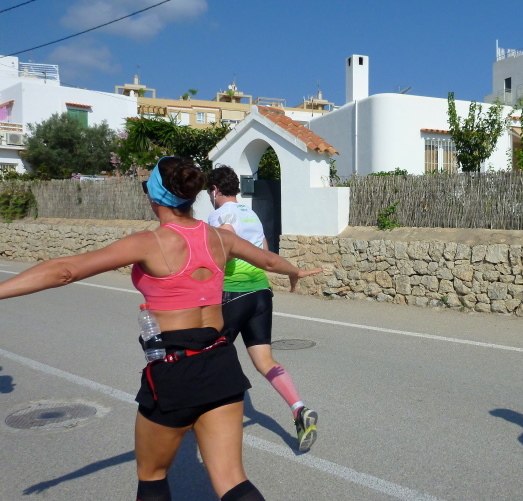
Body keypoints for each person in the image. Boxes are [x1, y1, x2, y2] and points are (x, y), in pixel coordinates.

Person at [0, 156, 322, 501]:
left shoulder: (148, 242)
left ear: (154, 197)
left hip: (175, 368)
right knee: (232, 480)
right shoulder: (219, 238)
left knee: (152, 476)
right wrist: (294, 271)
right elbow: (269, 260)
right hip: (220, 362)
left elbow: (65, 270)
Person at [206, 166, 318, 452]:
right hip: (260, 293)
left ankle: (212, 422)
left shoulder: (220, 215)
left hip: (233, 293)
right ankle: (298, 408)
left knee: (210, 357)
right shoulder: (251, 214)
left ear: (215, 190)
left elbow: (224, 242)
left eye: (209, 191)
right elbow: (266, 252)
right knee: (264, 360)